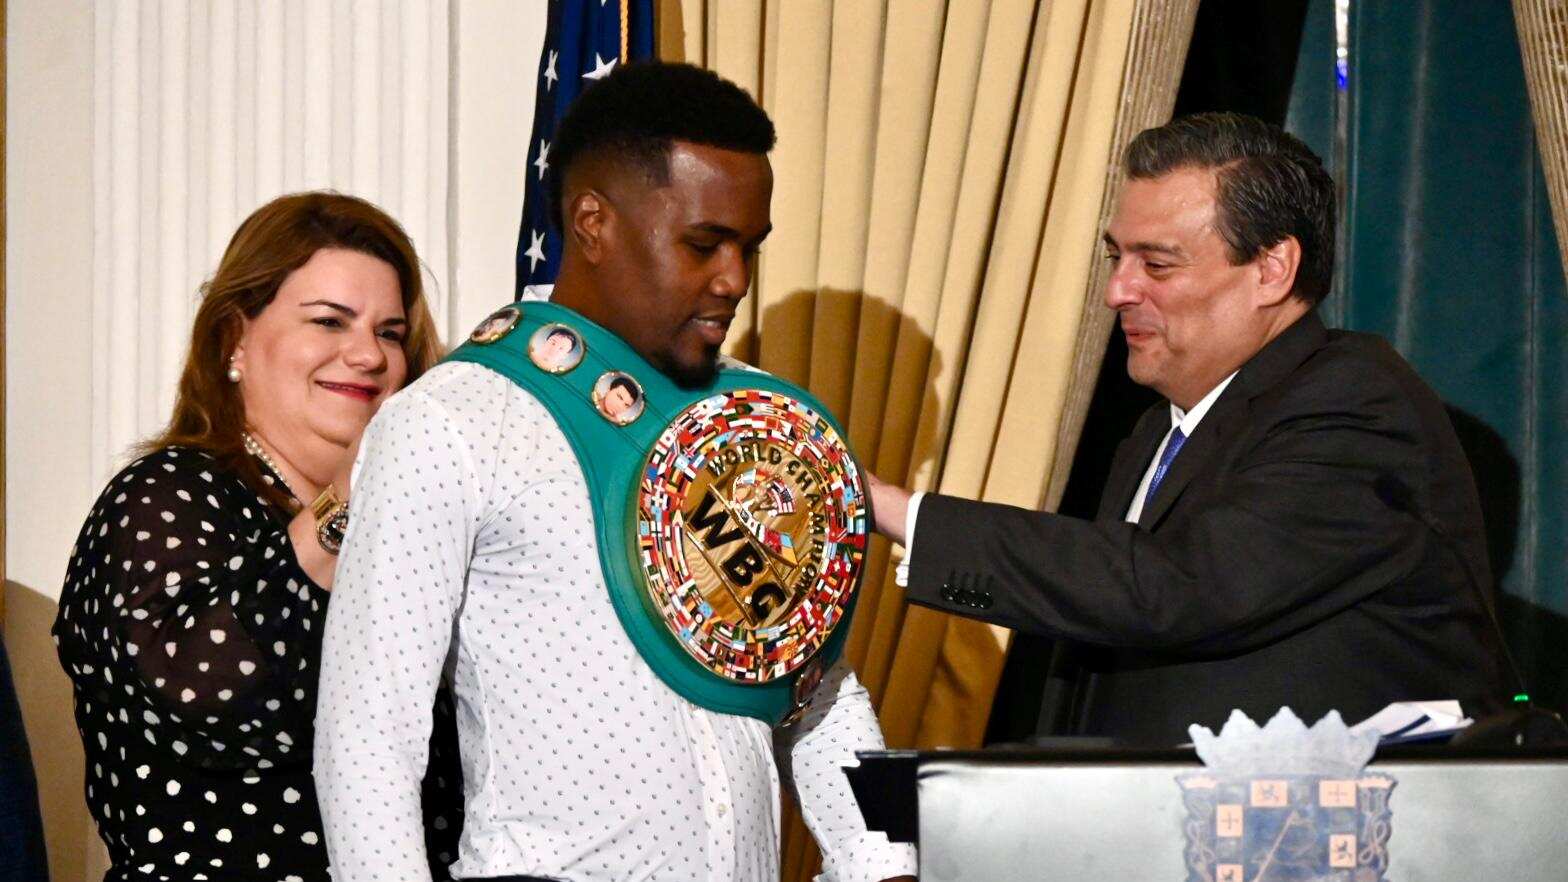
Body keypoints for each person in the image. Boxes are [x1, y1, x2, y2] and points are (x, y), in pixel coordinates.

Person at [313, 62, 916, 882]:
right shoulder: (449, 423)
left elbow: (814, 688)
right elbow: (367, 740)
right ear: (592, 223)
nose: (734, 279)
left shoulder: (754, 428)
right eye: (704, 243)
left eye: (749, 247)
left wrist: (882, 865)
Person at [867, 112, 1507, 746]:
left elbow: (1174, 588)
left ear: (1272, 268)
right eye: (1117, 256)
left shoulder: (1356, 401)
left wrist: (890, 507)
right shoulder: (1161, 430)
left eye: (1158, 264)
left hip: (1313, 837)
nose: (1118, 289)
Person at [53, 192, 463, 881]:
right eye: (330, 321)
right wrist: (352, 497)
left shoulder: (413, 533)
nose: (367, 353)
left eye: (390, 332)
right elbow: (205, 694)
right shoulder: (165, 497)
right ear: (232, 339)